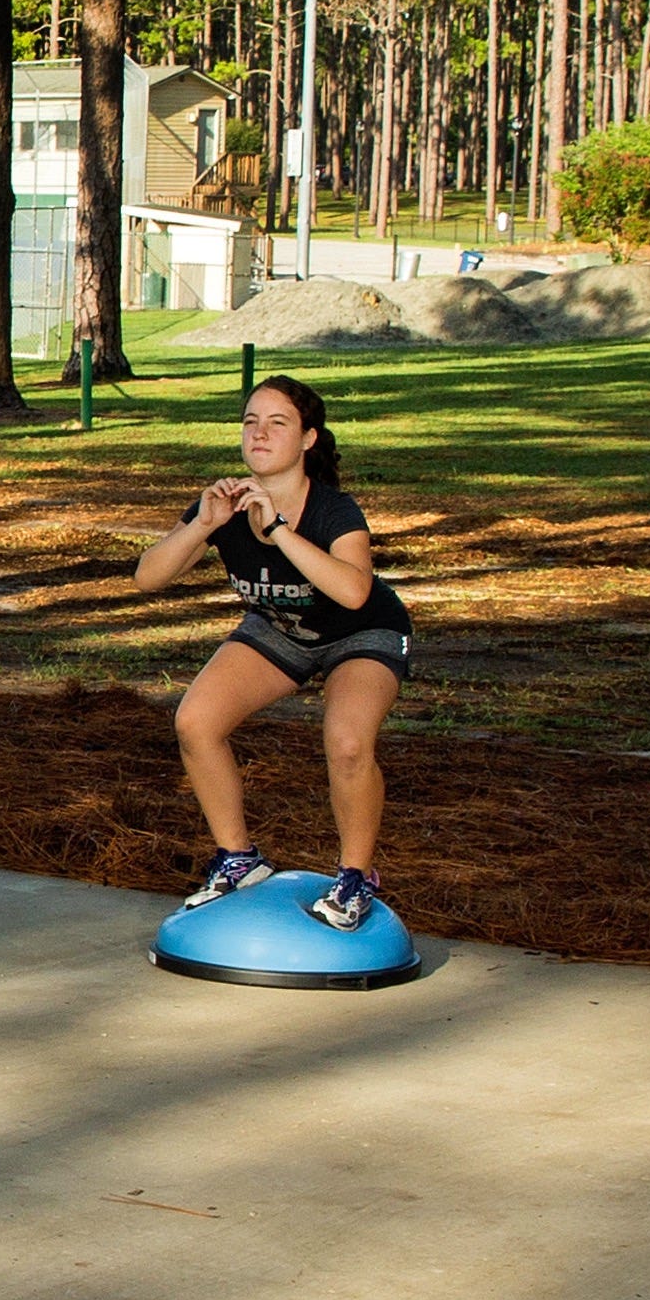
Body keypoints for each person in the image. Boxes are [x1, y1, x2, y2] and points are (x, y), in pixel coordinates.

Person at [132, 373, 413, 934]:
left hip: (364, 633)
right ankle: (239, 858)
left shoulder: (334, 510)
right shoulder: (224, 502)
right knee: (196, 721)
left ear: (308, 438)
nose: (259, 433)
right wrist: (203, 526)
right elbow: (147, 577)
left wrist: (279, 529)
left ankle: (356, 876)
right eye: (250, 422)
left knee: (348, 741)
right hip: (282, 629)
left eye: (277, 423)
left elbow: (355, 591)